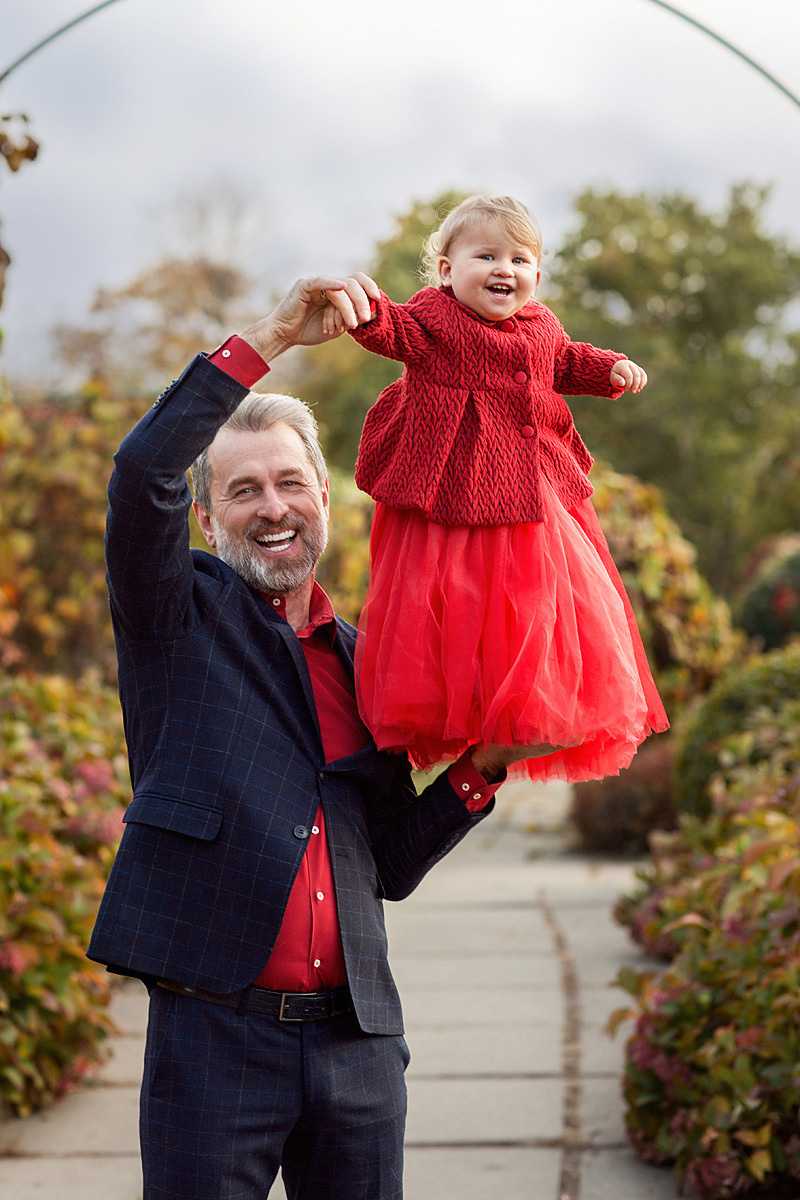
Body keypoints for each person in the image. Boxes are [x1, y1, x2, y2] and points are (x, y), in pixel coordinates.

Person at [87, 275, 513, 1200]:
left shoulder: (372, 662)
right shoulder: (173, 616)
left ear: (326, 495)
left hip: (358, 1045)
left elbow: (387, 864)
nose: (271, 506)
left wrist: (481, 771)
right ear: (206, 519)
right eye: (242, 491)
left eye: (289, 482)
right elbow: (142, 474)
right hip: (212, 1041)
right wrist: (273, 334)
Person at [325, 194, 669, 782]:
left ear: (536, 275)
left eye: (520, 259)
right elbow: (392, 330)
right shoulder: (433, 321)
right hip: (453, 496)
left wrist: (608, 369)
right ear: (447, 271)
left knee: (537, 605)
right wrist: (361, 307)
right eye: (485, 255)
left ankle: (530, 701)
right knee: (456, 602)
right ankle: (460, 708)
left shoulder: (543, 328)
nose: (504, 269)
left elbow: (564, 361)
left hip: (534, 498)